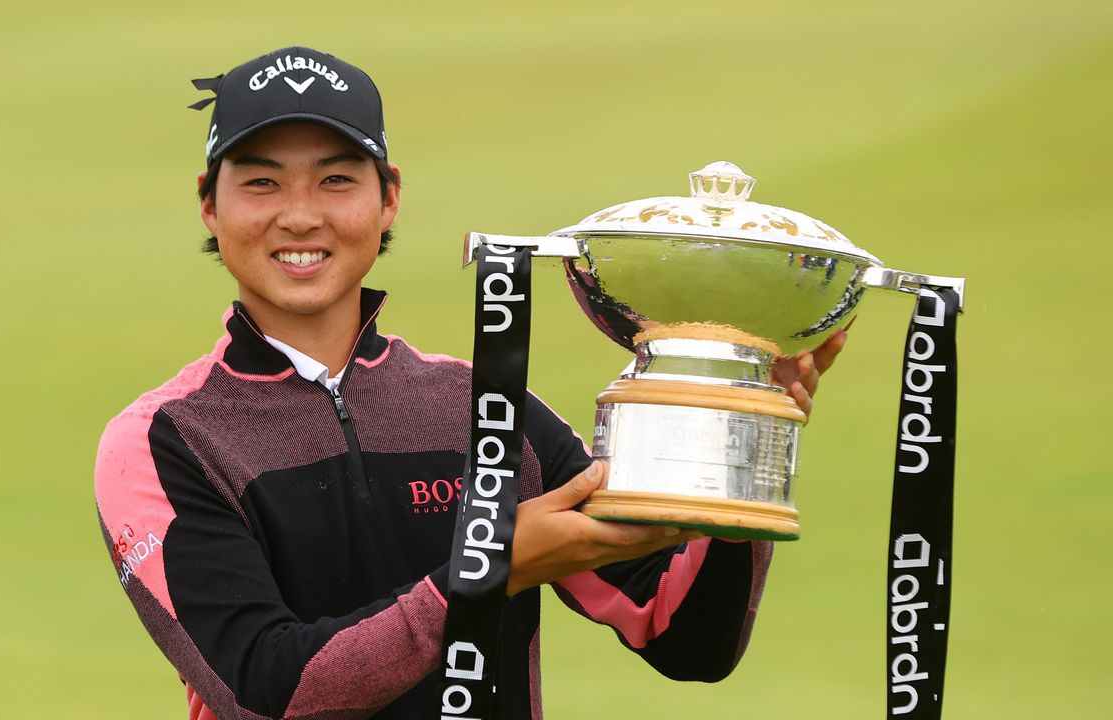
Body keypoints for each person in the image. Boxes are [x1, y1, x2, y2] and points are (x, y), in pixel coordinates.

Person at [94, 46, 847, 720]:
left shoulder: (483, 410)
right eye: (261, 182)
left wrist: (742, 440)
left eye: (335, 180)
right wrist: (494, 567)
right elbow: (271, 686)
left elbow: (687, 639)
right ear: (209, 202)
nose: (299, 216)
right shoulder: (164, 440)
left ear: (388, 197)